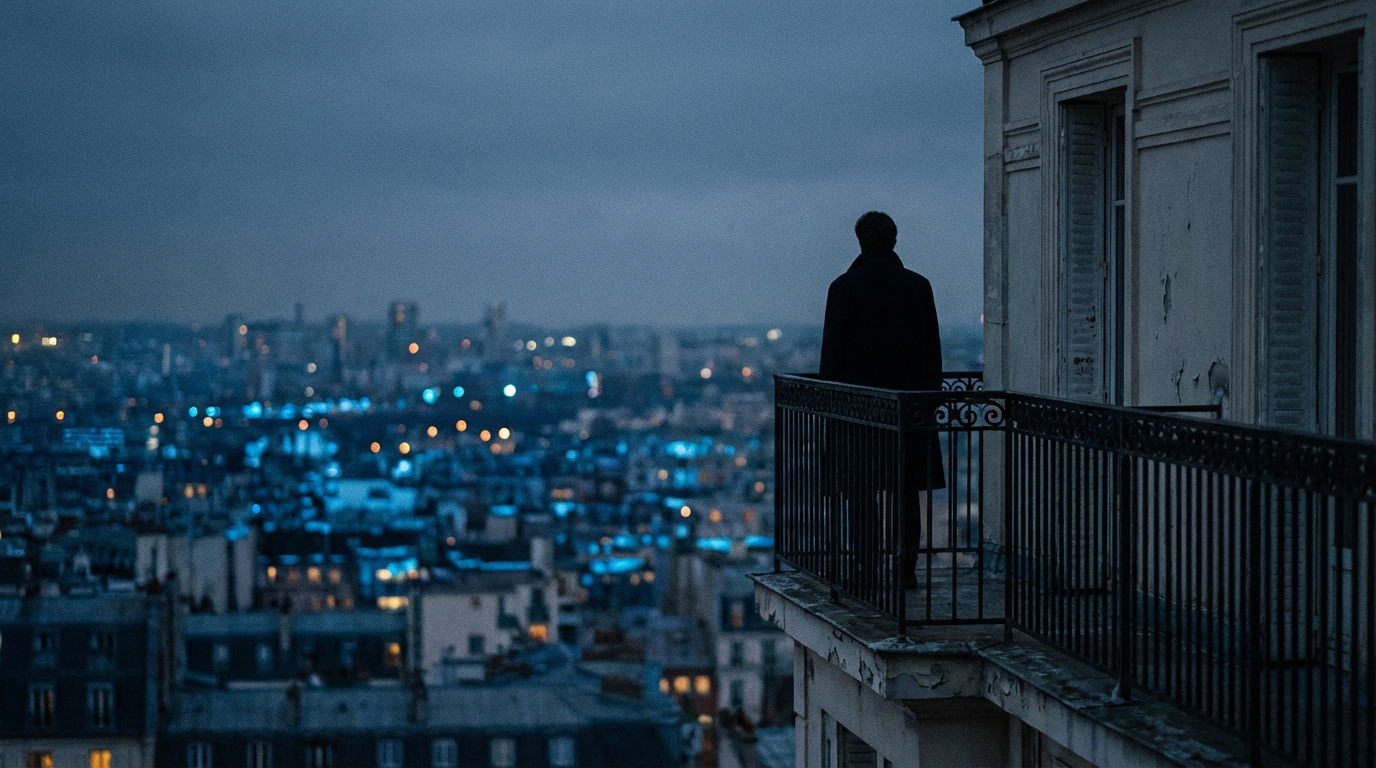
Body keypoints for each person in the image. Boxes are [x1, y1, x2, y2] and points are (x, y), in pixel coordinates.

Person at [819, 211, 944, 590]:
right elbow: (932, 354)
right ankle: (905, 571)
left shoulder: (843, 288)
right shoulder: (918, 287)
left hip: (858, 413)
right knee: (906, 495)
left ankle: (865, 568)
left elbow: (831, 361)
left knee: (861, 495)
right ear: (894, 240)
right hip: (909, 409)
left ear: (860, 241)